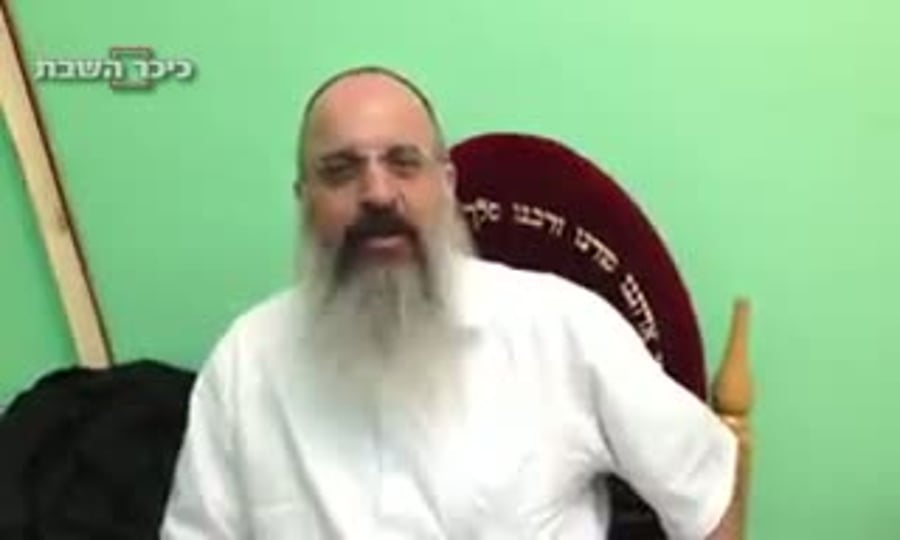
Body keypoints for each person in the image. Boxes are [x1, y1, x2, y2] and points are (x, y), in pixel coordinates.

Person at [160, 66, 739, 539]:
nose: (377, 193)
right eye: (340, 171)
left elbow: (706, 497)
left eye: (404, 163)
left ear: (447, 185)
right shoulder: (245, 363)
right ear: (303, 198)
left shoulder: (563, 329)